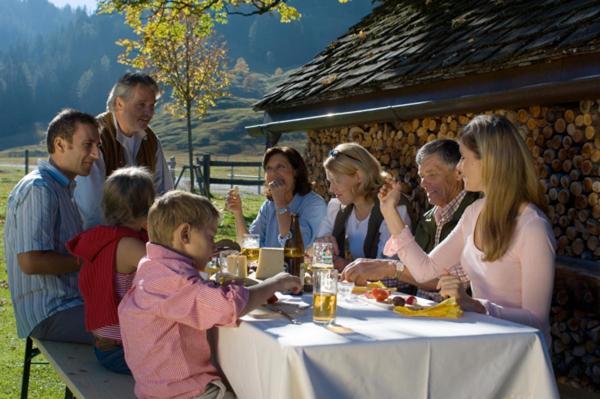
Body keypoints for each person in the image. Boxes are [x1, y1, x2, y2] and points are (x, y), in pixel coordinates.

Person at [378, 115, 555, 344]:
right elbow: (425, 270)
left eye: (464, 158)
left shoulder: (533, 227)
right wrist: (389, 211)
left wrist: (475, 306)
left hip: (519, 357)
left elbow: (536, 320)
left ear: (490, 161)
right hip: (480, 342)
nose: (459, 168)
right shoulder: (474, 212)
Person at [118, 190, 301, 399]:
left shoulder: (153, 268)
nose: (213, 245)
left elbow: (192, 298)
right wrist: (274, 283)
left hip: (154, 388)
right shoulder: (173, 279)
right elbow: (227, 306)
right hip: (186, 392)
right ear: (185, 234)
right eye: (210, 236)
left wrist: (220, 286)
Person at [4, 109, 101, 344]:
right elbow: (30, 262)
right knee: (137, 330)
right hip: (51, 311)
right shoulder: (40, 189)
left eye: (97, 146)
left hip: (67, 304)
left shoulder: (61, 188)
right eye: (88, 145)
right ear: (60, 144)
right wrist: (91, 260)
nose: (96, 155)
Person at [342, 140, 479, 300]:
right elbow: (413, 270)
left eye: (432, 175)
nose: (423, 184)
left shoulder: (474, 212)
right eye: (421, 176)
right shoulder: (430, 217)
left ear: (458, 172)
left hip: (460, 317)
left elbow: (432, 277)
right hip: (424, 310)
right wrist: (369, 272)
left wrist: (385, 268)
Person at [67, 167, 155, 374]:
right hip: (122, 350)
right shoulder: (130, 245)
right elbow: (170, 274)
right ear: (147, 206)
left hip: (106, 345)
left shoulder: (101, 237)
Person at [74, 72, 174, 229]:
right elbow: (91, 208)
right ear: (119, 103)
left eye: (152, 106)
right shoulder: (96, 136)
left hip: (140, 236)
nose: (149, 113)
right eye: (141, 105)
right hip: (101, 235)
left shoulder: (150, 139)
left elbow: (164, 193)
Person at [316, 143, 411, 271]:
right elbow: (316, 255)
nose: (331, 189)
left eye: (336, 181)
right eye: (329, 181)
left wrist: (345, 265)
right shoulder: (336, 208)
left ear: (358, 177)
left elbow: (390, 266)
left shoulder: (393, 208)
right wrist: (322, 242)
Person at [226, 146, 326, 249]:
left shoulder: (314, 204)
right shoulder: (268, 206)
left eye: (281, 167)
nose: (273, 173)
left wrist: (280, 202)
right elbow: (249, 245)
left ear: (295, 171)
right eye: (269, 168)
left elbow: (297, 246)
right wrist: (238, 213)